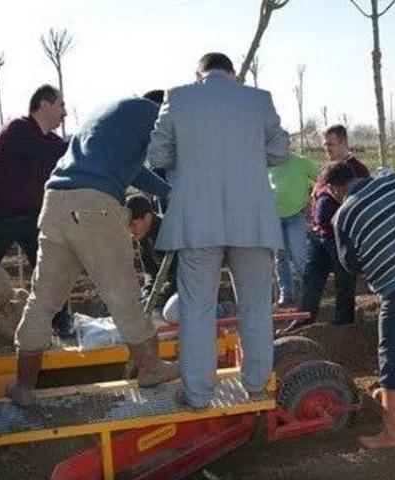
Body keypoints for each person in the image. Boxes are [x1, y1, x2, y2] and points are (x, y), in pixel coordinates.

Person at [6, 97, 178, 406]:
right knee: (123, 295)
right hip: (93, 206)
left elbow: (137, 172)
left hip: (55, 202)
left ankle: (23, 385)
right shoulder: (153, 112)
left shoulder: (107, 119)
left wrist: (169, 192)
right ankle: (151, 368)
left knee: (43, 300)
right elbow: (168, 152)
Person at [148, 52, 289, 409]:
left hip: (197, 221)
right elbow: (280, 151)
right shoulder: (259, 100)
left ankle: (198, 394)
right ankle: (256, 385)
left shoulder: (178, 98)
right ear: (231, 73)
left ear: (199, 74)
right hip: (252, 220)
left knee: (197, 308)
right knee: (256, 305)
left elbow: (157, 156)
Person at [327, 163, 395, 449]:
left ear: (335, 189)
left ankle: (392, 435)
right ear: (357, 176)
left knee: (391, 354)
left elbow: (348, 264)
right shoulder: (389, 182)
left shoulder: (341, 217)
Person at [0, 84, 74, 338]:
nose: (65, 113)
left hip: (32, 218)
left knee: (51, 269)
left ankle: (60, 320)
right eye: (61, 105)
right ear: (45, 104)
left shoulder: (53, 142)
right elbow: (48, 152)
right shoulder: (18, 128)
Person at [295, 125, 370, 329]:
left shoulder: (358, 169)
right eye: (325, 144)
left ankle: (343, 325)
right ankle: (304, 319)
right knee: (311, 278)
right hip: (319, 235)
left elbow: (360, 204)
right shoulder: (326, 169)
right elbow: (318, 193)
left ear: (344, 143)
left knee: (343, 281)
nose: (327, 148)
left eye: (331, 144)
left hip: (340, 235)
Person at [268, 153, 317, 307]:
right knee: (280, 256)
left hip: (296, 215)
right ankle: (286, 294)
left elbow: (321, 180)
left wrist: (313, 198)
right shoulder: (267, 164)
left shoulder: (302, 162)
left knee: (299, 255)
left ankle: (309, 293)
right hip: (274, 217)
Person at [127, 194, 175, 304]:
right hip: (165, 292)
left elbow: (177, 275)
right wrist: (147, 293)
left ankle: (220, 309)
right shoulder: (143, 235)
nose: (131, 232)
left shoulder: (168, 230)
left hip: (186, 288)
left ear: (147, 217)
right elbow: (150, 271)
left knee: (171, 312)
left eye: (133, 225)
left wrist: (155, 298)